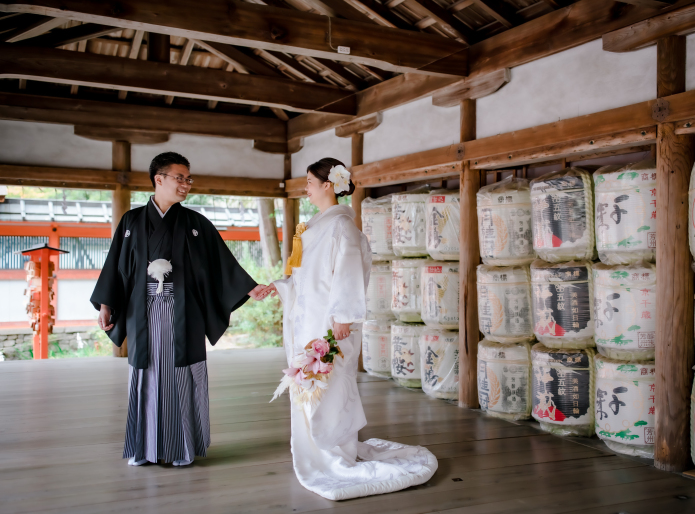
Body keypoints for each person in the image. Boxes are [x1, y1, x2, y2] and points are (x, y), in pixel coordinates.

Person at [265, 158, 437, 500]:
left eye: (311, 181)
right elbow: (307, 278)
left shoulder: (342, 228)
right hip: (310, 322)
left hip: (330, 326)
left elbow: (347, 275)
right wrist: (280, 285)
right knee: (313, 390)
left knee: (331, 390)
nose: (307, 187)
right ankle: (318, 450)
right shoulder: (318, 226)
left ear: (328, 185)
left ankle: (335, 453)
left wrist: (343, 317)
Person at [91, 152, 270, 467]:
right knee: (146, 376)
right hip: (142, 312)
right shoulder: (131, 221)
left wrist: (248, 286)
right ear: (159, 179)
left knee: (182, 378)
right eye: (179, 178)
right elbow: (115, 268)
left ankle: (181, 448)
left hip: (182, 311)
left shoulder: (195, 223)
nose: (186, 184)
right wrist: (106, 305)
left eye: (189, 178)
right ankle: (144, 449)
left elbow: (221, 264)